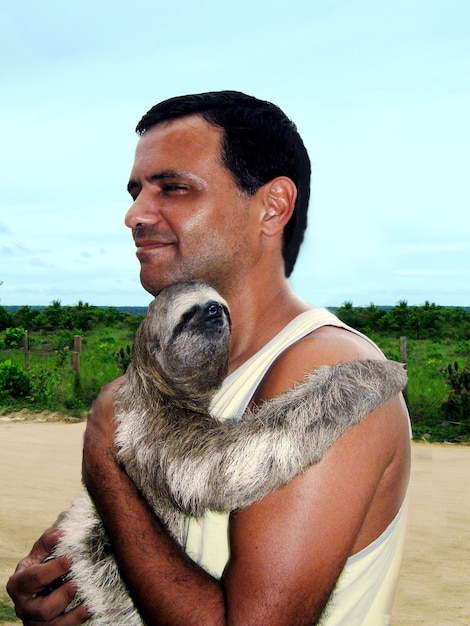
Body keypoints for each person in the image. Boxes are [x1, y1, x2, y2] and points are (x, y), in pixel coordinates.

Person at [7, 91, 411, 625]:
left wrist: (106, 459)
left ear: (272, 207)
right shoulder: (190, 369)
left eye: (173, 188)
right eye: (136, 192)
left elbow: (208, 474)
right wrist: (58, 584)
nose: (134, 215)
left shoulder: (326, 369)